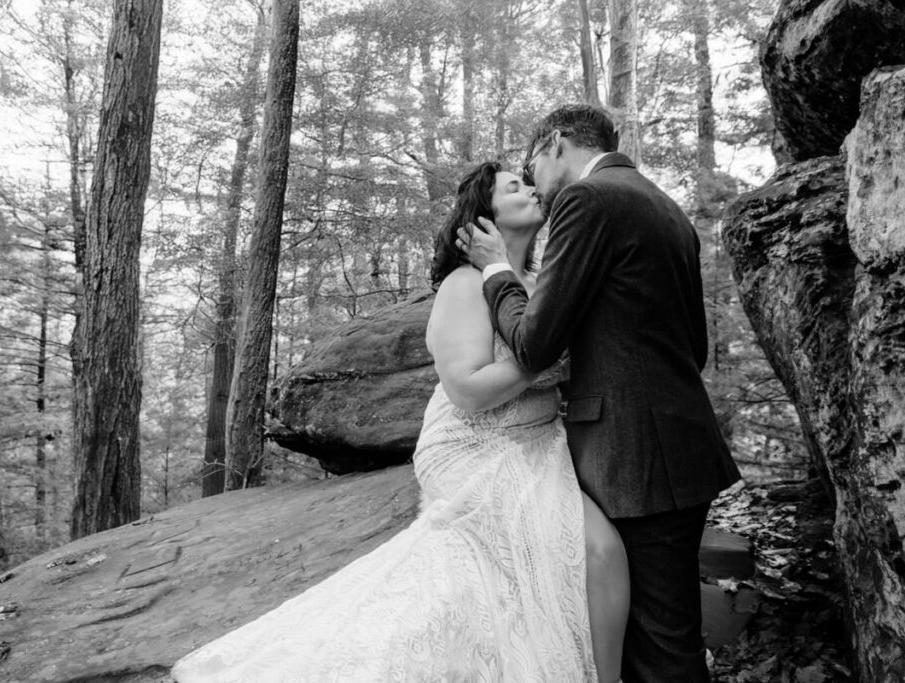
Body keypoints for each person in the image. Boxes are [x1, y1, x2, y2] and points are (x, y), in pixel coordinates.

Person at [171, 162, 627, 683]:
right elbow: (468, 391)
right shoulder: (464, 284)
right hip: (478, 443)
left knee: (571, 558)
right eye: (513, 187)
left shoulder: (542, 281)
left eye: (528, 181)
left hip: (539, 440)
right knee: (594, 549)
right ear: (484, 219)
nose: (530, 189)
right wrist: (542, 361)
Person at [458, 104, 741, 683]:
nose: (532, 180)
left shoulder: (587, 201)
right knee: (668, 633)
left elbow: (535, 343)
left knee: (657, 651)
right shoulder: (666, 207)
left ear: (556, 143)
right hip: (677, 445)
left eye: (531, 163)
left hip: (634, 456)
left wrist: (494, 271)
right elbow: (695, 342)